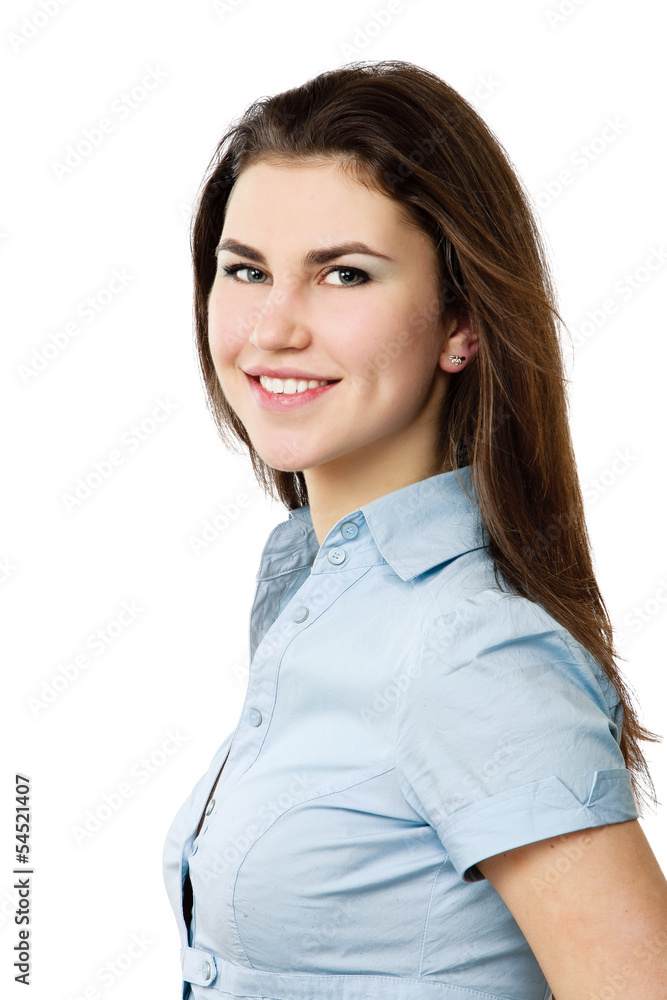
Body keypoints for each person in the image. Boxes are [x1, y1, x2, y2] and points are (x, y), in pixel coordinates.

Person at [162, 59, 667, 999]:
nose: (271, 327)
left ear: (460, 324)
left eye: (342, 274)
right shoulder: (316, 596)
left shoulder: (471, 651)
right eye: (245, 270)